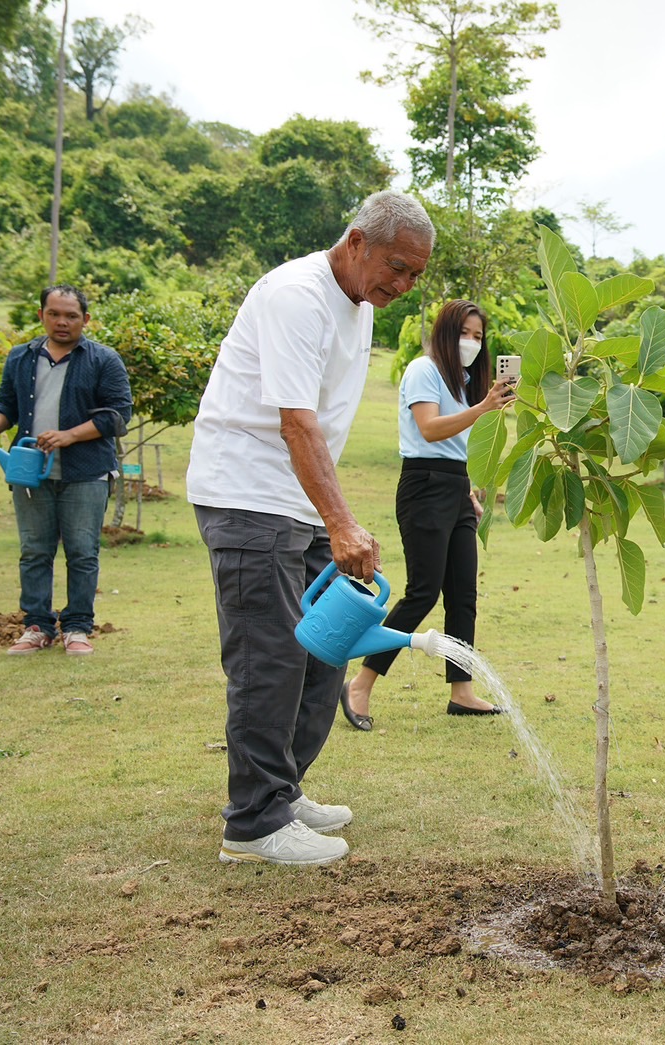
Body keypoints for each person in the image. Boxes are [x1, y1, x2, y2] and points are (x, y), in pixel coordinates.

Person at [188, 190, 434, 867]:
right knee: (268, 658)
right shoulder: (297, 296)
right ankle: (253, 823)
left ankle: (282, 791)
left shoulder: (358, 302)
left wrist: (333, 519)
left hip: (293, 501)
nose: (403, 285)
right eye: (396, 267)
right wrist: (342, 521)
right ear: (356, 242)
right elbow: (296, 422)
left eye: (416, 275)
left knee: (326, 649)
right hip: (247, 495)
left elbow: (317, 424)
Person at [340, 299, 517, 730]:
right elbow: (430, 429)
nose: (471, 342)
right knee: (422, 592)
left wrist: (468, 491)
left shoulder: (465, 382)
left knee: (463, 595)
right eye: (464, 333)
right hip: (424, 485)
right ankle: (360, 684)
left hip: (455, 487)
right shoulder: (424, 369)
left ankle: (462, 691)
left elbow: (457, 446)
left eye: (478, 337)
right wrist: (484, 407)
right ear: (445, 332)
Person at [0, 285, 132, 657]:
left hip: (86, 472)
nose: (62, 322)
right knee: (34, 552)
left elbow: (117, 415)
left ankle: (77, 627)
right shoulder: (21, 357)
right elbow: (5, 404)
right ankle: (37, 626)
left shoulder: (104, 359)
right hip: (30, 472)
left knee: (82, 553)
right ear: (41, 315)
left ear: (85, 319)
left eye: (71, 316)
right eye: (54, 314)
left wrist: (68, 436)